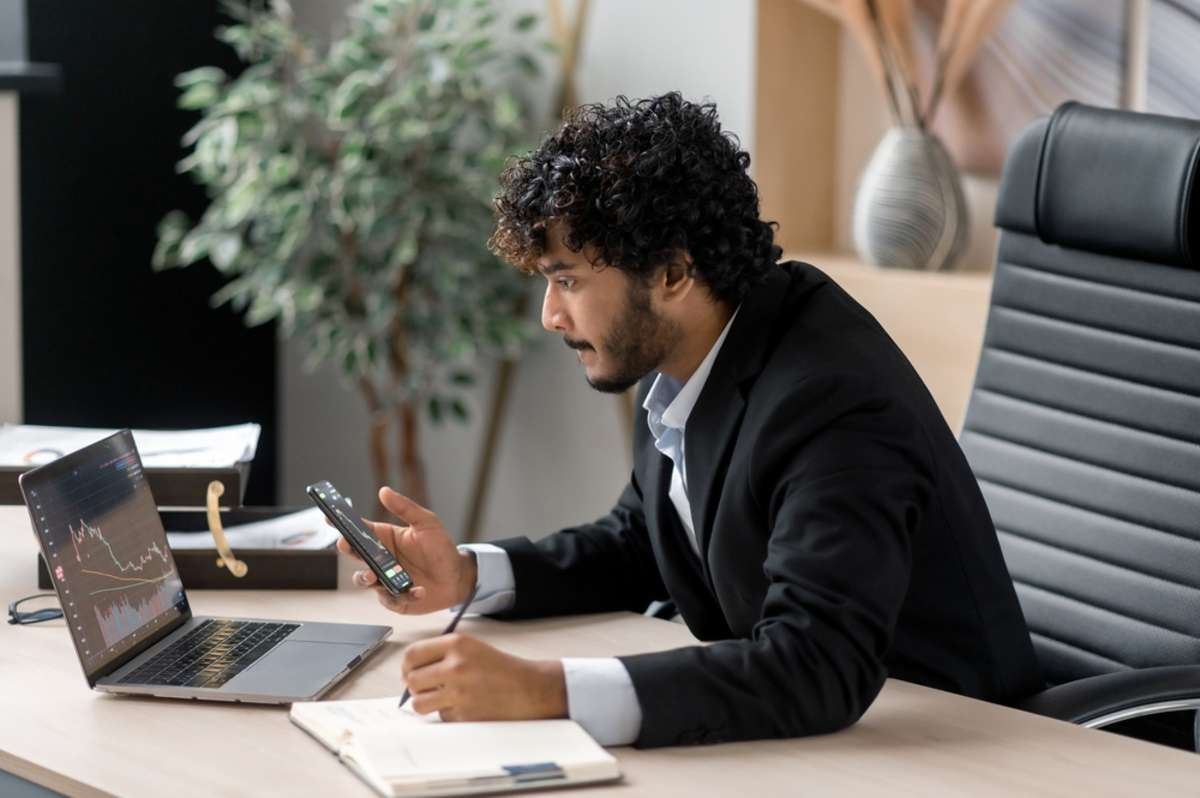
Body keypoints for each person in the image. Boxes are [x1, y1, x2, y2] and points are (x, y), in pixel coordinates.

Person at [339, 92, 1042, 748]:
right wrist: (465, 574)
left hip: (944, 747)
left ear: (673, 274)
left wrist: (546, 690)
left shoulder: (830, 403)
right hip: (820, 742)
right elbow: (643, 540)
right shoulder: (697, 350)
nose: (551, 316)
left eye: (569, 281)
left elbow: (818, 665)